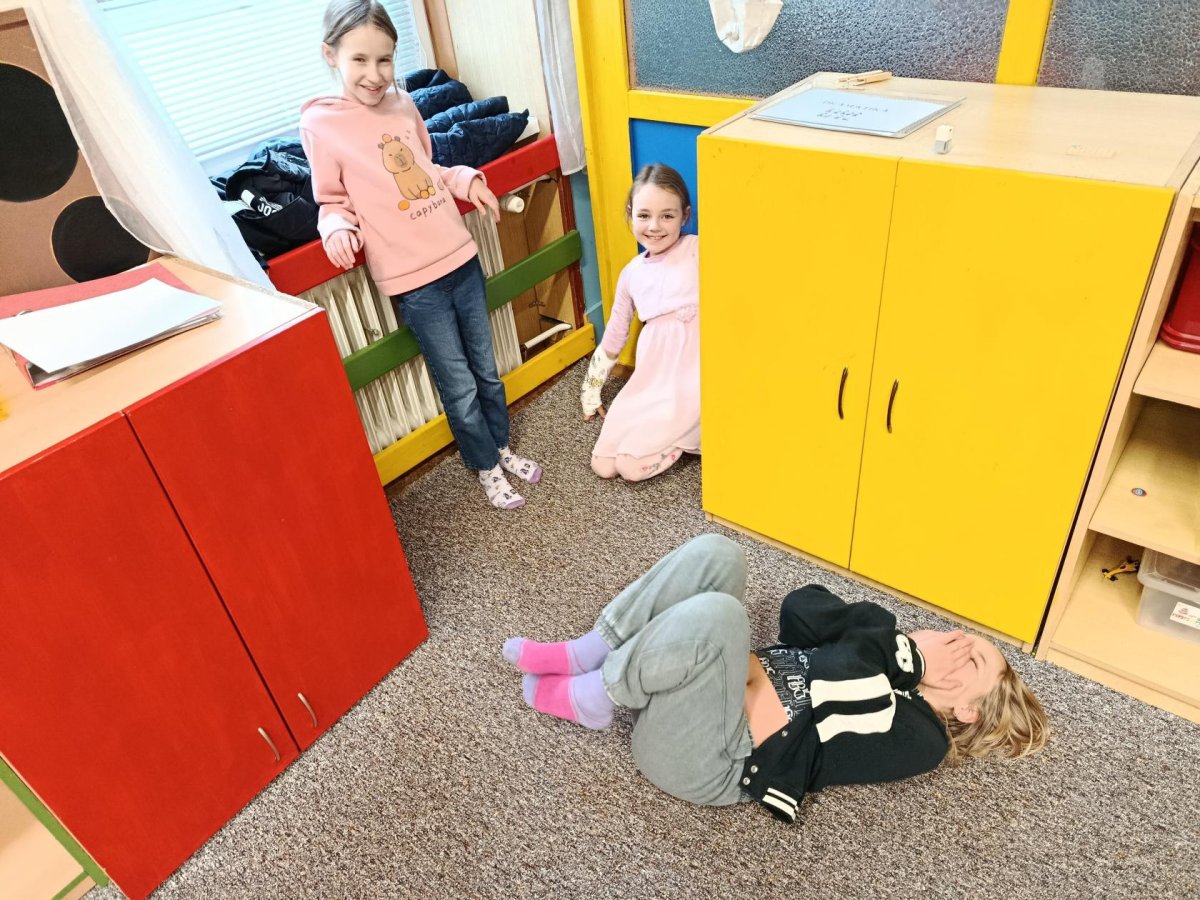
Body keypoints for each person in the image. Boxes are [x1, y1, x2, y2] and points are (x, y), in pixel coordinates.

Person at [503, 534, 1049, 821]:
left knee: (722, 617)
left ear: (970, 709)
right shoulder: (891, 657)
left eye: (971, 660)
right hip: (688, 691)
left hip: (708, 759)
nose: (953, 645)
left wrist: (905, 657)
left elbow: (837, 684)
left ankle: (599, 694)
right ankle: (589, 652)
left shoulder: (922, 739)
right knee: (720, 555)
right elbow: (802, 607)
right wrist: (900, 647)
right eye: (959, 638)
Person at [301, 0, 541, 510]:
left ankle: (501, 446)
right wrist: (336, 228)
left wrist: (467, 179)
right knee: (459, 385)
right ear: (330, 55)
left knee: (487, 370)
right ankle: (485, 466)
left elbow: (429, 170)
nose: (374, 74)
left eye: (384, 59)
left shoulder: (403, 104)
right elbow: (331, 202)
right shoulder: (322, 125)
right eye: (360, 59)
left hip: (460, 258)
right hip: (415, 283)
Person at [581, 164, 700, 482]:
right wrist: (591, 389)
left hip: (693, 371)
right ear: (630, 215)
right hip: (654, 374)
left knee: (631, 467)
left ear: (684, 216)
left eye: (667, 216)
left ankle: (678, 439)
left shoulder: (697, 249)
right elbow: (614, 338)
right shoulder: (631, 273)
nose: (655, 226)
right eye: (644, 215)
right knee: (603, 463)